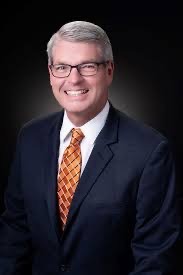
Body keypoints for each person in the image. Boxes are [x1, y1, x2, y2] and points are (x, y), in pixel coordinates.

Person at [0, 20, 180, 275]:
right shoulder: (30, 137)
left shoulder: (150, 151)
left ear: (109, 70)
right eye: (62, 67)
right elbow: (14, 233)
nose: (74, 79)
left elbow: (155, 258)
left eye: (87, 66)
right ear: (51, 73)